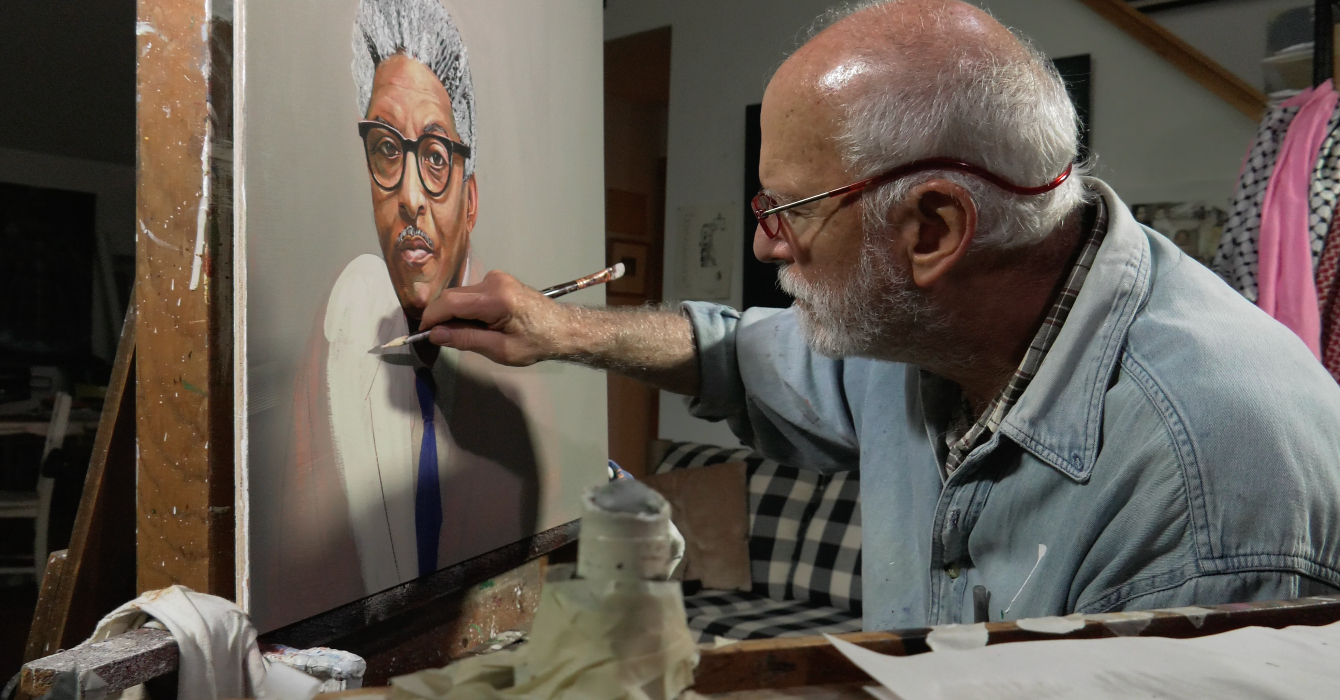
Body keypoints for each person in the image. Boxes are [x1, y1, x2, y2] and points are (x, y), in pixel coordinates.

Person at [418, 0, 1340, 630]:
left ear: (934, 228)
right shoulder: (931, 331)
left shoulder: (1210, 487)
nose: (766, 247)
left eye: (788, 211)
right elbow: (735, 357)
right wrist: (561, 329)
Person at [261, 0, 541, 624]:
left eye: (436, 157)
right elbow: (305, 585)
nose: (410, 195)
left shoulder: (517, 379)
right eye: (388, 150)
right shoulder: (345, 332)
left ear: (470, 202)